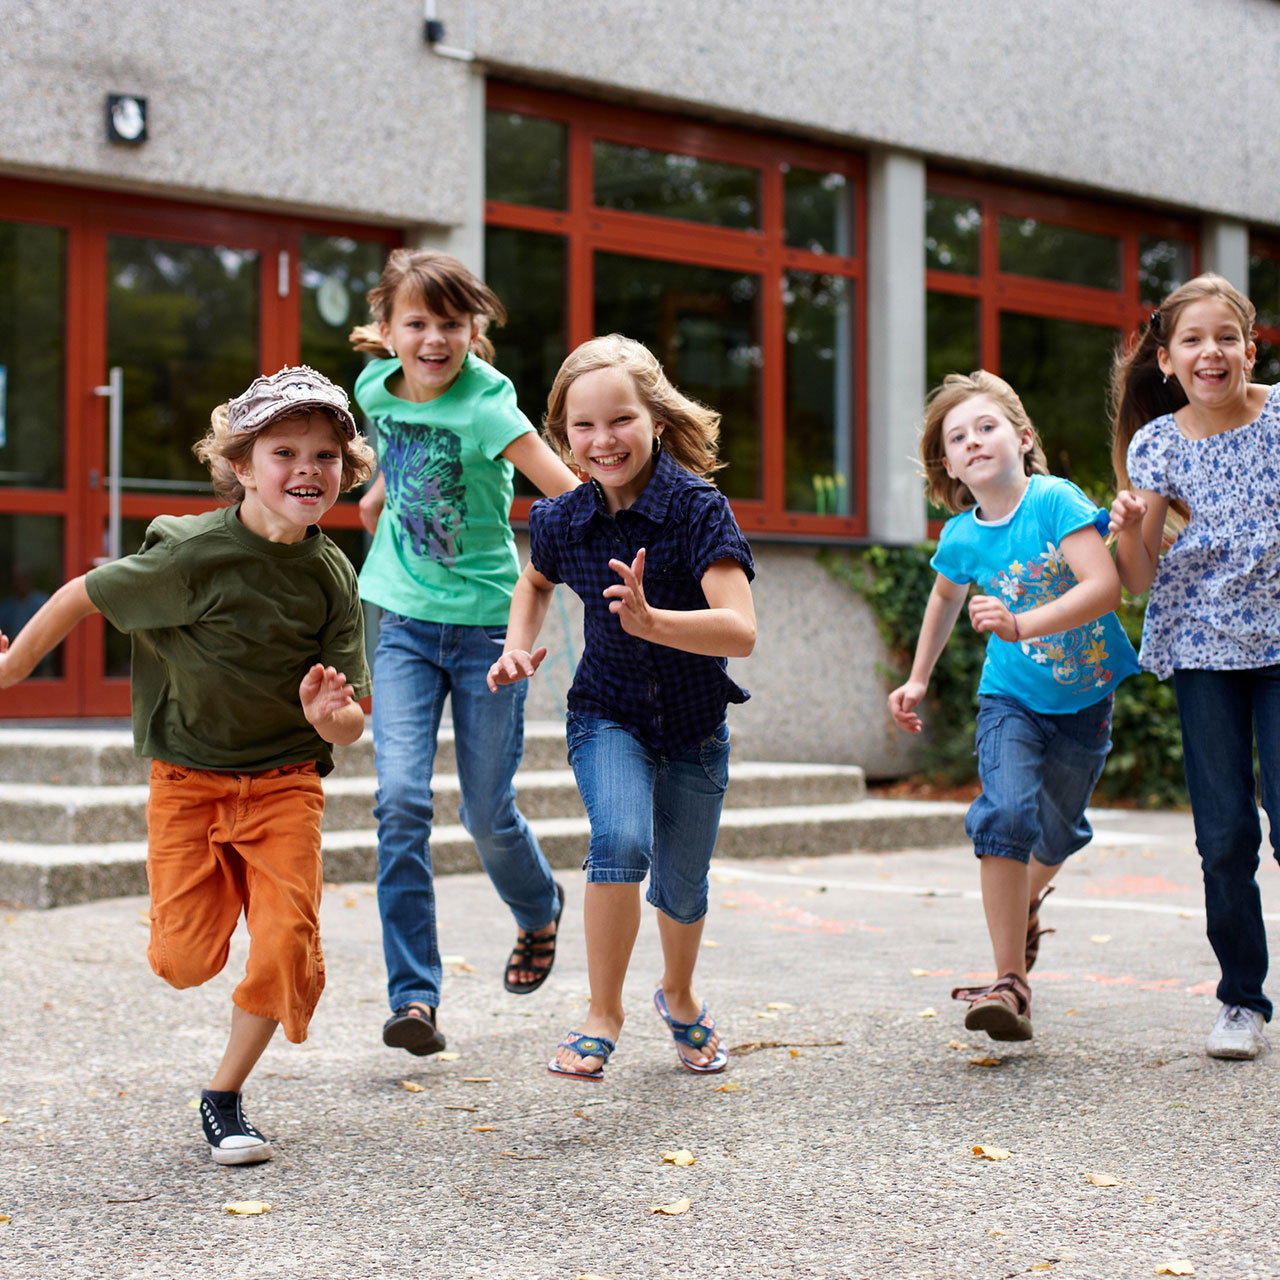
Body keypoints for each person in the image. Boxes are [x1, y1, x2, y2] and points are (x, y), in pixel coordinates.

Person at [0, 365, 375, 1163]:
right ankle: (218, 902)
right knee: (183, 960)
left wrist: (329, 716)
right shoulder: (193, 556)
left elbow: (349, 724)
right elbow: (82, 595)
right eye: (285, 451)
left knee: (282, 945)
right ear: (240, 465)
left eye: (326, 455)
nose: (308, 469)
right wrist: (13, 669)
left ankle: (225, 1096)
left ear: (347, 469)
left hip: (284, 785)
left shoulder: (331, 573)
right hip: (189, 782)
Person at [487, 334, 756, 1079]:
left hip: (696, 727)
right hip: (607, 715)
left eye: (620, 420)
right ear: (563, 435)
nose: (603, 440)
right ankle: (602, 1012)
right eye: (583, 426)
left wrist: (654, 621)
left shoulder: (697, 510)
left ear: (656, 420)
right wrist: (516, 643)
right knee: (621, 842)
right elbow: (536, 581)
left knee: (682, 885)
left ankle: (679, 994)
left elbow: (742, 629)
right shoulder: (563, 520)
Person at [349, 248, 580, 1059]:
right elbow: (393, 458)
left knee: (485, 811)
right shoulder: (372, 390)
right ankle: (415, 997)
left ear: (472, 330)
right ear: (388, 331)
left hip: (488, 628)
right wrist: (376, 501)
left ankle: (539, 906)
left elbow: (568, 494)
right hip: (404, 625)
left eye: (451, 323)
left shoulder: (491, 408)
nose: (434, 339)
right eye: (417, 323)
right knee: (400, 803)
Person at [888, 370, 1138, 1042]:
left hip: (1085, 700)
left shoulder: (1054, 502)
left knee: (1054, 835)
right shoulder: (963, 536)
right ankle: (1010, 982)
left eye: (987, 426)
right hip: (1009, 699)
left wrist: (1023, 623)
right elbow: (943, 599)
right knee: (1003, 813)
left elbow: (1106, 585)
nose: (974, 441)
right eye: (958, 437)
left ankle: (1024, 907)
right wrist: (917, 679)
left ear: (1022, 438)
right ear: (948, 464)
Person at [1109, 273, 1279, 1060]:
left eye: (1225, 337)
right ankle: (1241, 1002)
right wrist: (1132, 528)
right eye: (1191, 340)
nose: (1210, 351)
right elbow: (1138, 578)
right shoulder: (1157, 445)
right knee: (1223, 838)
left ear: (1251, 345)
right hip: (1204, 647)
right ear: (1168, 360)